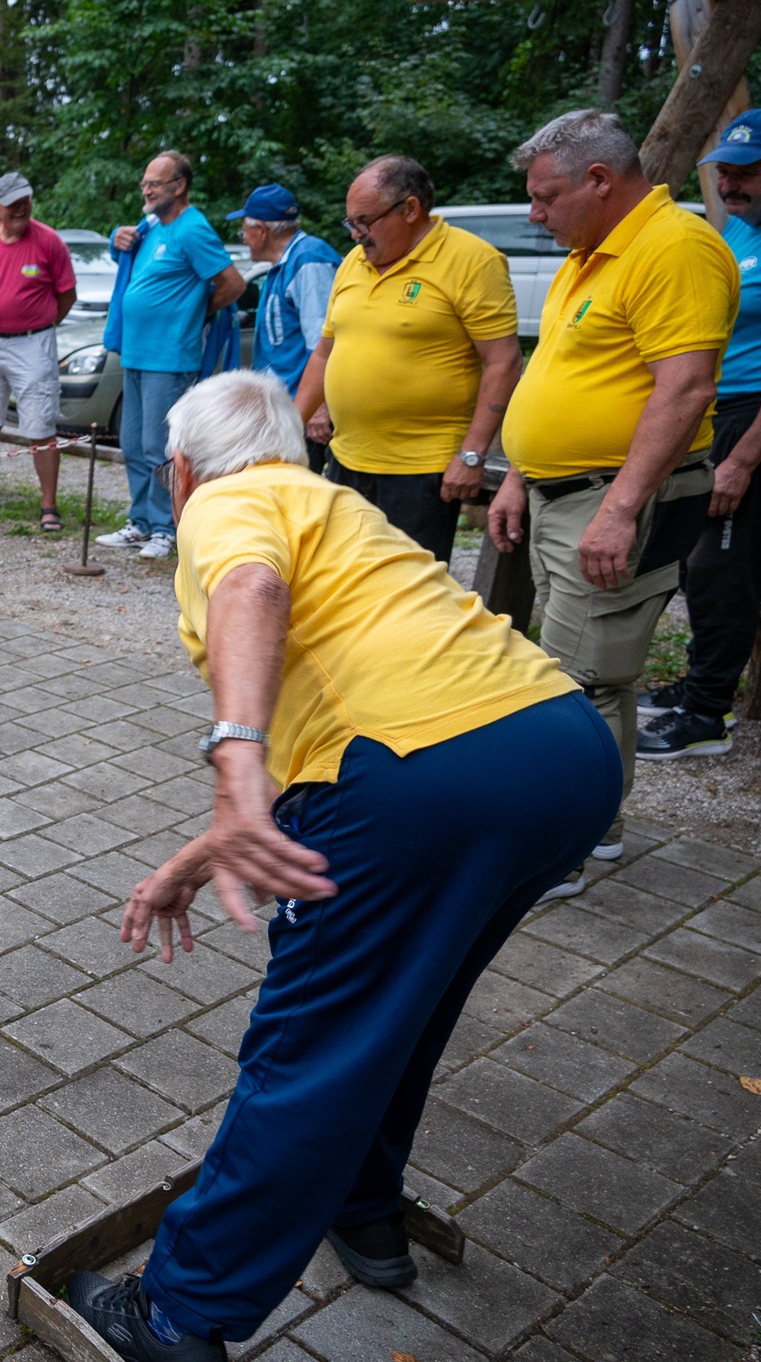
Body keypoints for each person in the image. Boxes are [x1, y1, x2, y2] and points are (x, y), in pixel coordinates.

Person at [63, 370, 616, 1362]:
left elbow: (250, 588)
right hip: (559, 752)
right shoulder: (327, 503)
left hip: (424, 784)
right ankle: (362, 1208)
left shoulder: (223, 506)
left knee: (310, 1047)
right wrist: (207, 842)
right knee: (407, 998)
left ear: (179, 470)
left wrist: (230, 761)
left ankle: (176, 1315)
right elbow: (342, 697)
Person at [491, 109, 735, 888]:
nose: (534, 214)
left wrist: (622, 507)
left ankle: (568, 842)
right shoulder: (589, 254)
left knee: (581, 681)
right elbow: (561, 375)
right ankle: (588, 822)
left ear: (600, 180)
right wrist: (520, 473)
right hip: (561, 495)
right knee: (571, 673)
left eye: (544, 196)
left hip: (614, 499)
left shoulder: (675, 247)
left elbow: (688, 385)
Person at [293, 157, 521, 563]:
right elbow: (325, 351)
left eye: (363, 221)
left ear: (410, 209)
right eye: (350, 222)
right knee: (344, 582)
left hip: (422, 471)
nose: (355, 234)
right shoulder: (354, 263)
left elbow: (502, 362)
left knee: (405, 597)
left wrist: (471, 454)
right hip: (347, 460)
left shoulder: (473, 261)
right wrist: (289, 429)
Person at [637, 110, 761, 760]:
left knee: (721, 565)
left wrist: (742, 460)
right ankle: (696, 684)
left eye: (748, 171)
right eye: (727, 171)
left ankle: (708, 714)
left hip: (753, 421)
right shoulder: (737, 229)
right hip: (720, 407)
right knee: (697, 561)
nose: (732, 183)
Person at [100, 150, 245, 560]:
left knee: (160, 448)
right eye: (144, 183)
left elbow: (232, 284)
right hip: (136, 354)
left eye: (155, 183)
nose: (146, 189)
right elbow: (128, 260)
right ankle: (141, 522)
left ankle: (168, 528)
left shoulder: (192, 228)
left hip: (171, 357)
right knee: (132, 444)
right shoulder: (153, 226)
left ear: (179, 187)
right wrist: (116, 238)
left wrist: (194, 314)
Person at [0, 172, 77, 534]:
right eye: (12, 204)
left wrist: (39, 325)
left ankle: (48, 506)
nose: (21, 208)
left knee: (40, 425)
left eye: (25, 200)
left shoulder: (49, 242)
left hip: (33, 342)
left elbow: (67, 295)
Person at [226, 184, 340, 473]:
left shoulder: (309, 260)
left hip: (307, 411)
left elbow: (325, 343)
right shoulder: (283, 263)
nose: (244, 239)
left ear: (261, 230)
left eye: (244, 232)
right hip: (288, 409)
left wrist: (319, 408)